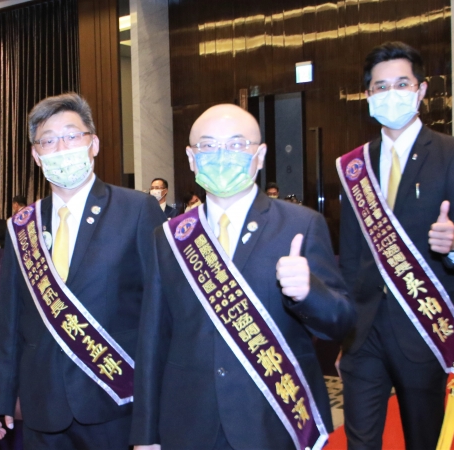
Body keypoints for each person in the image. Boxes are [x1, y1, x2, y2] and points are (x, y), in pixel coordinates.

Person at [130, 104, 355, 450]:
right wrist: (146, 435)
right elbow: (153, 338)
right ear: (191, 158)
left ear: (260, 155)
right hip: (190, 419)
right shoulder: (171, 237)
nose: (221, 156)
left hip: (273, 417)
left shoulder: (301, 224)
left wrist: (309, 292)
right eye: (208, 146)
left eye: (236, 145)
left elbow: (341, 322)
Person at [0, 92, 166, 450]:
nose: (61, 147)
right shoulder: (22, 226)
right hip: (42, 404)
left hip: (114, 401)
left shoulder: (136, 210)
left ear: (93, 144)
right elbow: (9, 317)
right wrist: (1, 395)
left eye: (71, 136)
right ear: (36, 155)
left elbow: (160, 314)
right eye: (48, 140)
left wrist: (154, 414)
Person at [338, 42, 454, 449]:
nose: (391, 93)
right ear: (368, 95)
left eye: (402, 84)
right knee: (360, 442)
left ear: (421, 90)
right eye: (380, 86)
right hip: (364, 334)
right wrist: (345, 334)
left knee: (423, 440)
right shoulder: (354, 166)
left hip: (423, 326)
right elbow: (351, 258)